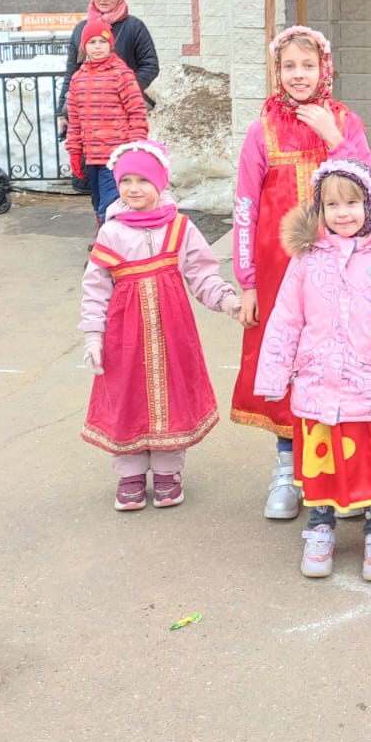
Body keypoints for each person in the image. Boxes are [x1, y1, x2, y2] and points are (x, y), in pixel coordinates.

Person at [254, 159, 371, 582]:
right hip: (317, 387)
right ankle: (320, 528)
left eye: (352, 203)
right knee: (321, 466)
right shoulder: (306, 259)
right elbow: (286, 320)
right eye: (332, 205)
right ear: (320, 209)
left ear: (370, 205)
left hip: (370, 389)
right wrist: (274, 375)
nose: (342, 213)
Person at [232, 26, 370, 521]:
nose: (298, 75)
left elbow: (369, 185)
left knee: (336, 360)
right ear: (277, 71)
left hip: (337, 271)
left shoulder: (345, 122)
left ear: (324, 69)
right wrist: (248, 282)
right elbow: (245, 206)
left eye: (307, 66)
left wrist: (335, 139)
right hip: (277, 273)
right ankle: (287, 468)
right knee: (287, 361)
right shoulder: (261, 130)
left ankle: (336, 473)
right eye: (289, 66)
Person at [79, 140, 241, 510]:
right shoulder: (112, 233)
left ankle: (168, 471)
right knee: (127, 397)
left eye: (143, 180)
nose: (133, 188)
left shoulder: (180, 228)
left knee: (173, 396)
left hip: (173, 334)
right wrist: (93, 335)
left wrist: (227, 300)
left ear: (160, 183)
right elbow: (95, 287)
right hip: (124, 338)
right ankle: (130, 474)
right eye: (126, 181)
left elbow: (202, 275)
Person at [65, 20, 149, 224]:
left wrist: (134, 145)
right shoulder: (78, 79)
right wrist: (75, 151)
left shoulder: (122, 74)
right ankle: (105, 234)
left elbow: (136, 111)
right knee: (97, 202)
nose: (97, 47)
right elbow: (74, 120)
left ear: (110, 44)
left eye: (102, 41)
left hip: (116, 156)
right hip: (91, 156)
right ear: (84, 47)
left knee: (110, 205)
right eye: (92, 42)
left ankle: (110, 239)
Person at [58, 0, 159, 129]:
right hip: (88, 113)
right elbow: (72, 72)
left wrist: (124, 90)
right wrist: (62, 112)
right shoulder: (80, 30)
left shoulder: (134, 27)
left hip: (124, 110)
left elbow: (150, 66)